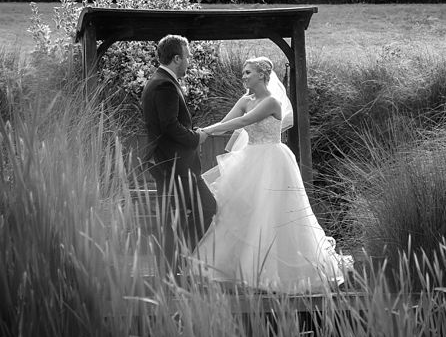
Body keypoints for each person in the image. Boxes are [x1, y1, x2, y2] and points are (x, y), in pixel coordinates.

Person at [190, 56, 352, 293]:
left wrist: (206, 131)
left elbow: (244, 120)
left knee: (274, 213)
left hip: (273, 160)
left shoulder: (271, 101)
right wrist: (205, 132)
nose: (244, 76)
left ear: (262, 75)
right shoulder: (246, 99)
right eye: (243, 72)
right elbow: (228, 121)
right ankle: (245, 271)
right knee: (244, 211)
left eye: (248, 72)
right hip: (250, 159)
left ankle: (278, 274)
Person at [140, 35, 218, 273]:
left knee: (175, 218)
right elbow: (169, 126)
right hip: (176, 164)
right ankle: (180, 260)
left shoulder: (158, 80)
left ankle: (173, 267)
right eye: (187, 57)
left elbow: (168, 123)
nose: (189, 62)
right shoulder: (165, 85)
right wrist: (196, 137)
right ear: (176, 58)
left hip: (168, 162)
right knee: (207, 207)